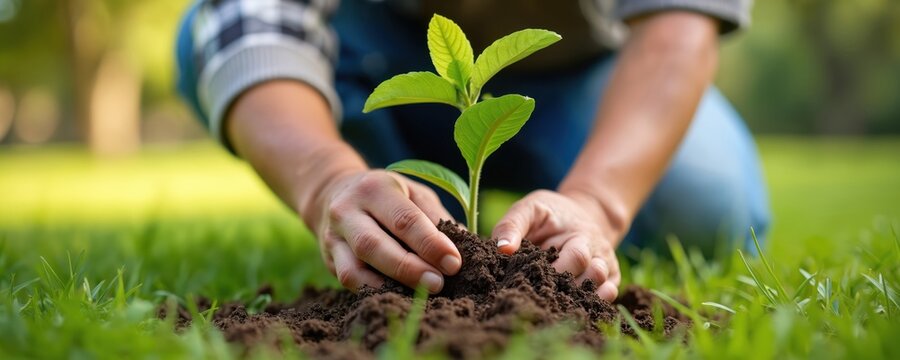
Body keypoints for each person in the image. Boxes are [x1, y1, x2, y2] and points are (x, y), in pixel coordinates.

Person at [176, 0, 770, 301]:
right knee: (203, 40)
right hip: (367, 51)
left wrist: (600, 200)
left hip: (585, 66)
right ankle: (382, 208)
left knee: (708, 204)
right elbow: (253, 22)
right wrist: (325, 178)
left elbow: (680, 24)